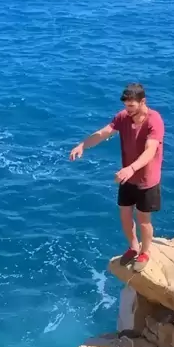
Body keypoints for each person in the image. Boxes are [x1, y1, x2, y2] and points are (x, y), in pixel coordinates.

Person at [69, 83, 164, 272]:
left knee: (143, 220)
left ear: (143, 102)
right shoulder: (123, 117)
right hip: (126, 176)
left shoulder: (154, 120)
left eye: (131, 106)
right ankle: (133, 246)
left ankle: (145, 252)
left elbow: (150, 150)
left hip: (146, 179)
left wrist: (132, 168)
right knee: (125, 215)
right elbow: (103, 133)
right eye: (126, 106)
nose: (128, 110)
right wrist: (83, 145)